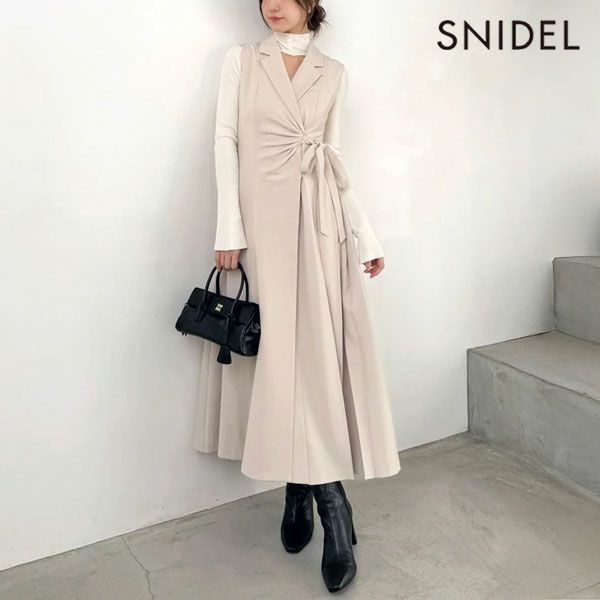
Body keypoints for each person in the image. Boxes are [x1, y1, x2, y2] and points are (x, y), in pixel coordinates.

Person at [194, 0, 401, 592]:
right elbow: (225, 141)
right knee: (280, 364)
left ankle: (316, 502)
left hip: (320, 227)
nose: (271, 4)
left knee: (311, 364)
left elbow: (334, 158)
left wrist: (364, 234)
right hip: (261, 230)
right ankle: (323, 498)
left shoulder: (333, 73)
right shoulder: (242, 60)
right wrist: (228, 229)